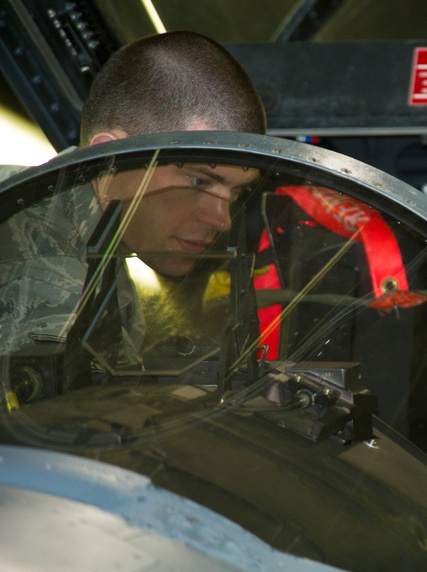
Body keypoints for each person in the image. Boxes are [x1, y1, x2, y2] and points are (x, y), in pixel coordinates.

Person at [0, 31, 265, 354]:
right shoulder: (54, 284)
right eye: (199, 181)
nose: (221, 219)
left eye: (236, 192)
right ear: (108, 161)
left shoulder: (78, 239)